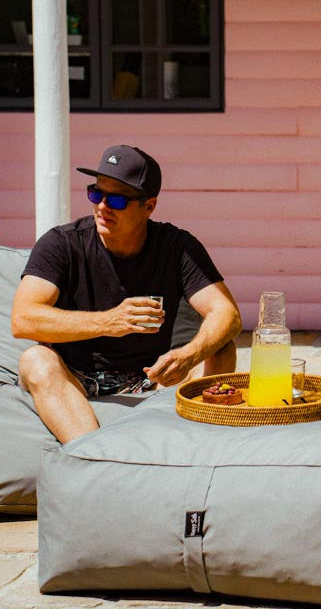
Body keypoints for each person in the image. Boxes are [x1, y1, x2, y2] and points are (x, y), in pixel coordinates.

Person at [12, 144, 242, 444]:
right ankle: (95, 456)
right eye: (96, 193)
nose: (102, 206)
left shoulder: (177, 247)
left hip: (152, 380)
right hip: (76, 378)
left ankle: (195, 446)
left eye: (117, 199)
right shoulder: (61, 244)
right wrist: (110, 322)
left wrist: (188, 355)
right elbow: (23, 319)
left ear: (148, 207)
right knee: (35, 359)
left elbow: (228, 314)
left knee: (222, 348)